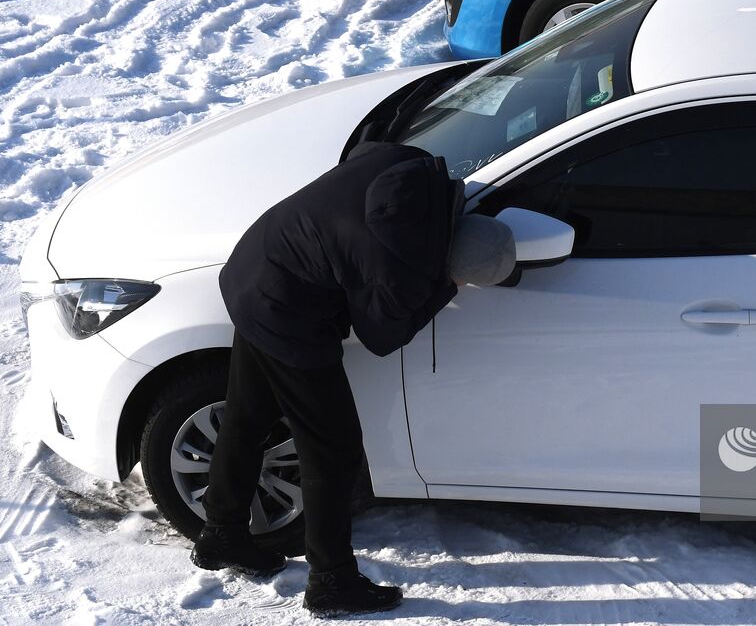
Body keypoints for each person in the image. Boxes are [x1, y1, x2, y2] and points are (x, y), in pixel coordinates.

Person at [188, 141, 515, 618]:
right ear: (456, 267)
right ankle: (332, 581)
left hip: (255, 262)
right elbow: (382, 335)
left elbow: (364, 150)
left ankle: (222, 535)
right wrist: (442, 289)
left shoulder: (417, 176)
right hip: (282, 309)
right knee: (333, 450)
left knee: (248, 414)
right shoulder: (403, 266)